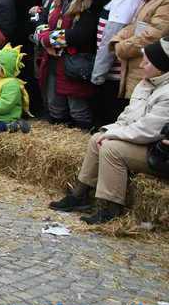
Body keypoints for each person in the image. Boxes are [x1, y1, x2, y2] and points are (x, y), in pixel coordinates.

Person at [50, 38, 169, 224]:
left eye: (147, 62)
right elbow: (127, 116)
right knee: (97, 138)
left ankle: (113, 210)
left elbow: (150, 129)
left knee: (112, 149)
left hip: (158, 151)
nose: (142, 64)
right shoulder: (145, 84)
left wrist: (113, 135)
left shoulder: (167, 93)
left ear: (160, 67)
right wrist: (109, 131)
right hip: (141, 141)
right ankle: (80, 195)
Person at [35, 0, 98, 129]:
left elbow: (82, 34)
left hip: (74, 62)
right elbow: (42, 20)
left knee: (78, 108)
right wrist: (43, 39)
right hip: (53, 60)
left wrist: (48, 40)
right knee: (55, 106)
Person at [110, 0, 169, 99]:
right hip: (137, 66)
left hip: (149, 67)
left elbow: (155, 33)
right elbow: (136, 24)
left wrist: (123, 47)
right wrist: (117, 39)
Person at [91, 0, 143, 125]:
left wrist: (97, 75)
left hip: (114, 75)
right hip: (108, 73)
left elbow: (110, 37)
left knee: (110, 118)